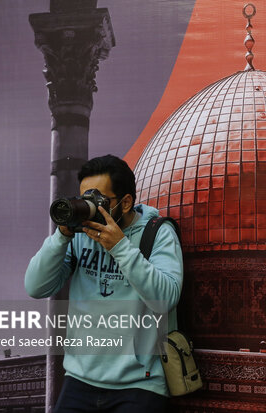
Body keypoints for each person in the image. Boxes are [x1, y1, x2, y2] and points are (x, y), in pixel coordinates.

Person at [25, 155, 183, 412]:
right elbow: (36, 287)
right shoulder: (78, 236)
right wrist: (62, 235)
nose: (89, 206)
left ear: (126, 202)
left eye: (97, 200)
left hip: (138, 386)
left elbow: (165, 299)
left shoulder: (157, 233)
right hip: (79, 380)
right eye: (84, 198)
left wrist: (120, 247)